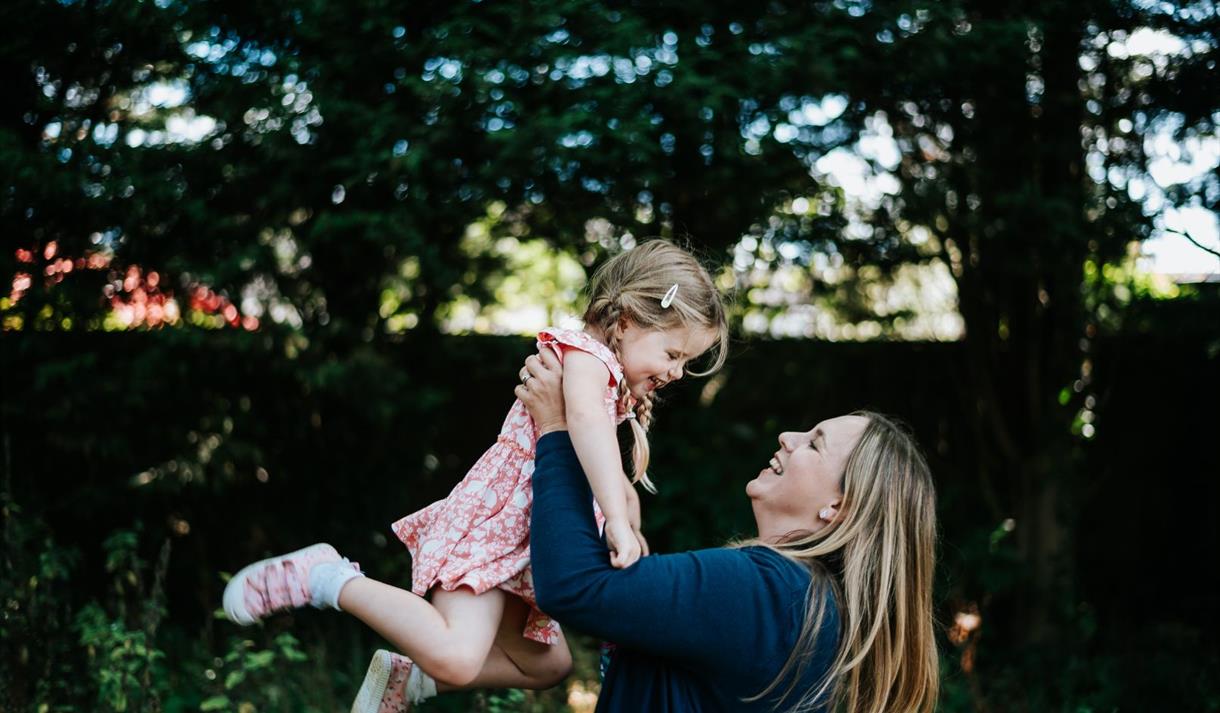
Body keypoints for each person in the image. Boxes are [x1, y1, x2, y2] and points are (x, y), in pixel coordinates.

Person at [220, 240, 729, 711]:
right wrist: (616, 517)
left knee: (549, 665)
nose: (678, 372)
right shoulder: (586, 358)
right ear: (626, 320)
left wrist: (627, 513)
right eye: (674, 353)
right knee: (459, 657)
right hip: (499, 528)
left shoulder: (605, 373)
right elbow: (587, 426)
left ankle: (409, 679)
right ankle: (326, 578)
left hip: (526, 546)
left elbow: (593, 449)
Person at [514, 346, 940, 712]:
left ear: (839, 507)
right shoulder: (805, 603)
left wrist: (558, 432)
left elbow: (575, 587)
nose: (788, 436)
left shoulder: (768, 591)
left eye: (815, 443)